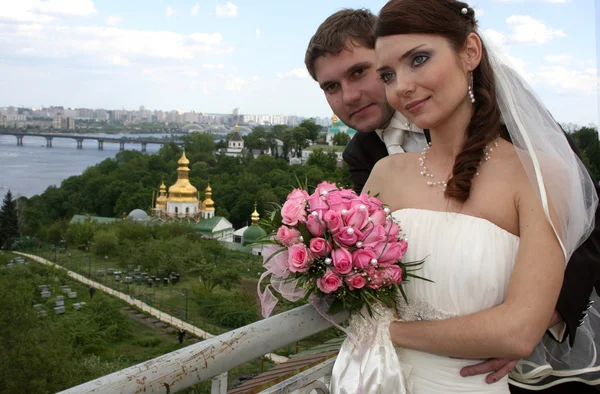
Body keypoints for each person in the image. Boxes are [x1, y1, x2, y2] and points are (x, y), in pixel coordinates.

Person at [305, 5, 600, 393]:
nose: (350, 95)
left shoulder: (517, 131)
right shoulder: (368, 161)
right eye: (331, 87)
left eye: (362, 72)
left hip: (523, 359)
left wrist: (541, 316)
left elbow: (586, 218)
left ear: (469, 54)